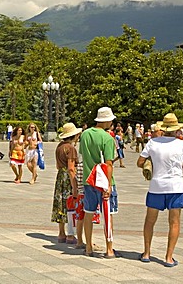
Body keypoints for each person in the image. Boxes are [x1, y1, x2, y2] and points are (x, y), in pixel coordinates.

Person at [137, 113, 183, 267]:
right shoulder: (182, 144)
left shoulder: (152, 143)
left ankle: (146, 253)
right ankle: (169, 258)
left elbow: (140, 162)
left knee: (150, 221)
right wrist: (179, 165)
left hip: (156, 187)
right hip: (176, 187)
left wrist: (153, 163)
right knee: (174, 223)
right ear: (177, 129)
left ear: (163, 128)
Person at [79, 106, 117, 258]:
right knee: (108, 214)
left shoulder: (85, 134)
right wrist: (108, 185)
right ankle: (109, 248)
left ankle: (88, 246)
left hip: (89, 180)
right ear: (107, 120)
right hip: (103, 181)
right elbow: (108, 163)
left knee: (88, 213)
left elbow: (83, 155)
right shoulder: (107, 138)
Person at [51, 123, 83, 244]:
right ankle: (70, 234)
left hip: (60, 176)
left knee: (60, 203)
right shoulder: (71, 148)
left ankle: (61, 233)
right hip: (68, 177)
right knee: (71, 204)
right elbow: (71, 168)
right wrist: (75, 186)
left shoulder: (59, 146)